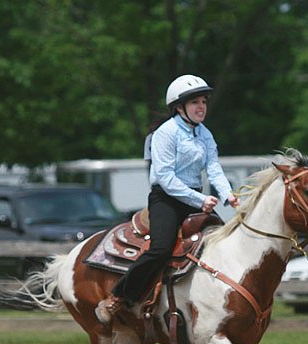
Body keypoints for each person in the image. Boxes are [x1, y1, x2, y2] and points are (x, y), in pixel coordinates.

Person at [95, 74, 239, 325]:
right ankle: (119, 297)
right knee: (160, 249)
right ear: (179, 107)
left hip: (196, 199)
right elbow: (164, 178)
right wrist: (200, 199)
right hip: (167, 199)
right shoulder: (166, 133)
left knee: (221, 245)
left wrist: (228, 195)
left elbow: (213, 168)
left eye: (203, 101)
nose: (201, 107)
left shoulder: (205, 134)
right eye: (195, 102)